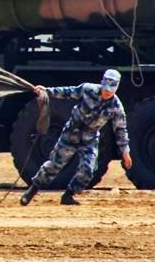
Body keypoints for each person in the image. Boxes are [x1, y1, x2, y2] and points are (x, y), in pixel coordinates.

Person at [20, 68, 133, 206]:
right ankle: (32, 190)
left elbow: (120, 130)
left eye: (110, 89)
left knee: (88, 169)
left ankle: (68, 195)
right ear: (102, 83)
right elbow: (68, 92)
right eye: (105, 88)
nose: (107, 92)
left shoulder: (116, 107)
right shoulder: (88, 89)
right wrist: (46, 91)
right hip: (71, 133)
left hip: (90, 138)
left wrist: (125, 153)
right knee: (55, 164)